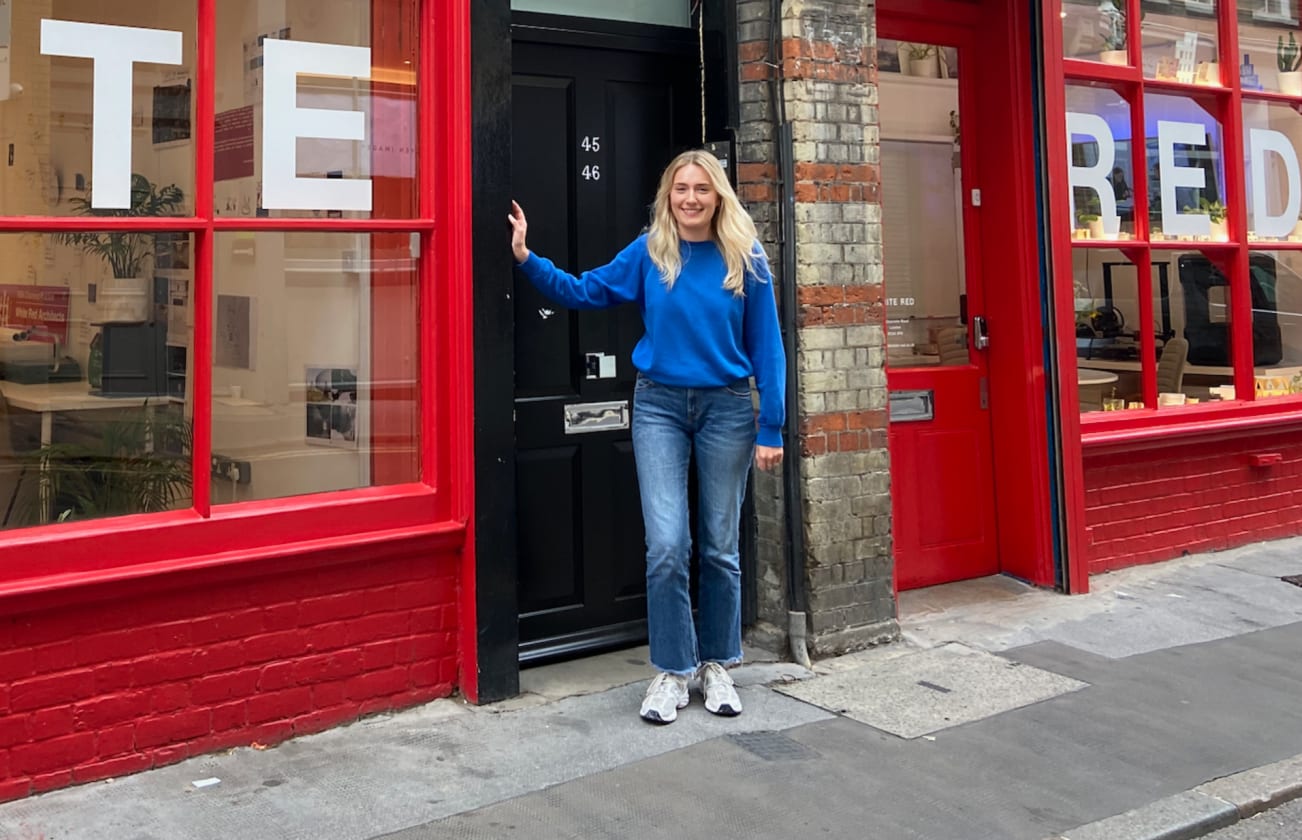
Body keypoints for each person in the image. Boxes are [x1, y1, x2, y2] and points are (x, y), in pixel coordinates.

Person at [509, 149, 786, 724]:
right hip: (658, 403)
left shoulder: (745, 257)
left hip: (729, 407)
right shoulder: (651, 251)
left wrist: (771, 425)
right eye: (680, 189)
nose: (690, 199)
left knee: (719, 546)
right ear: (667, 197)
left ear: (718, 196)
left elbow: (768, 346)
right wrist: (527, 258)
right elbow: (585, 292)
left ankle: (717, 665)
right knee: (666, 546)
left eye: (701, 190)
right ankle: (672, 671)